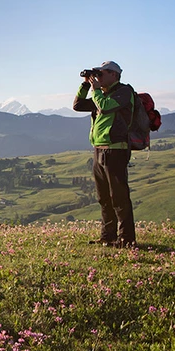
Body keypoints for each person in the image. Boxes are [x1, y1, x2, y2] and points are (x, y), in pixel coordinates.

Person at [73, 61, 137, 248]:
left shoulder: (124, 92)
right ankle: (107, 236)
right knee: (104, 197)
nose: (98, 77)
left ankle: (126, 239)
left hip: (115, 149)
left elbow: (107, 107)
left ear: (114, 75)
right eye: (97, 74)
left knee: (119, 196)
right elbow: (77, 106)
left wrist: (96, 91)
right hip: (99, 149)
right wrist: (86, 85)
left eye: (102, 73)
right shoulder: (100, 93)